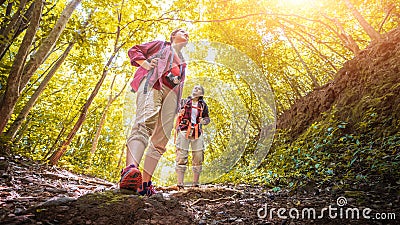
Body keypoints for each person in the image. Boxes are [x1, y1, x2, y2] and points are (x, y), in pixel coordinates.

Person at [120, 28, 189, 196]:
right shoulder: (160, 45)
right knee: (145, 123)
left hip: (171, 96)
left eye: (188, 35)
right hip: (153, 83)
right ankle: (130, 170)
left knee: (161, 139)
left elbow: (179, 84)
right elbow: (134, 50)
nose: (187, 36)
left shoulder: (183, 62)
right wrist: (145, 64)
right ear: (173, 36)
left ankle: (144, 183)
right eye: (183, 33)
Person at [175, 85, 210, 189]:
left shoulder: (203, 105)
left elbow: (207, 118)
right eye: (195, 88)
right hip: (184, 130)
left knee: (198, 156)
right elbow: (174, 111)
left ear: (201, 94)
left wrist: (204, 121)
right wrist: (179, 113)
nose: (196, 89)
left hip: (197, 132)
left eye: (199, 89)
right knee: (181, 156)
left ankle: (195, 183)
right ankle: (180, 184)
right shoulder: (183, 101)